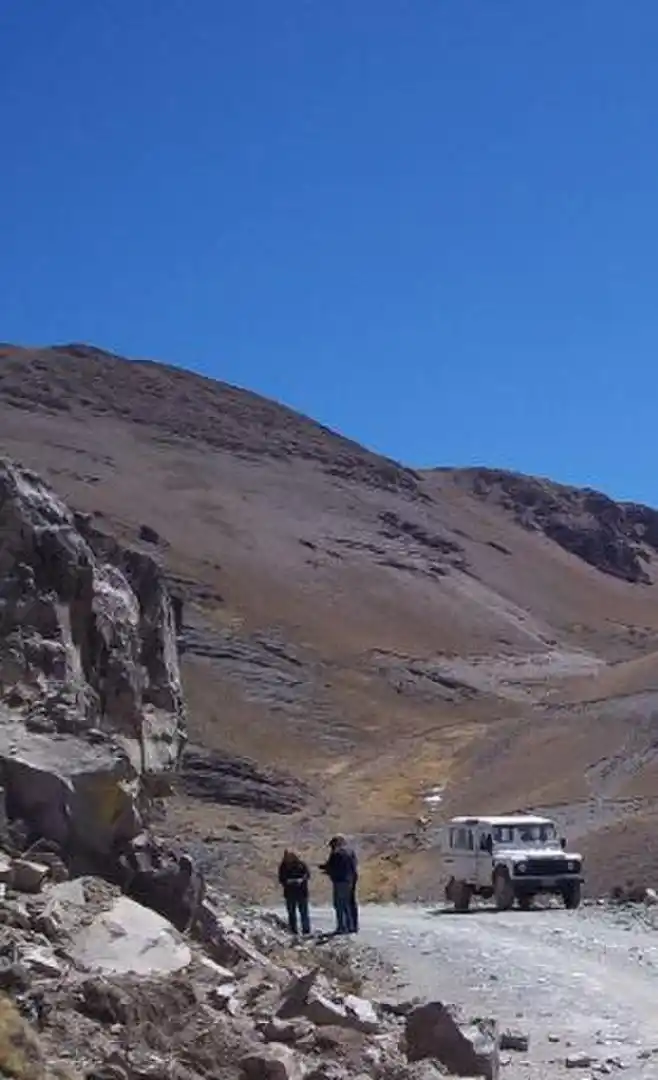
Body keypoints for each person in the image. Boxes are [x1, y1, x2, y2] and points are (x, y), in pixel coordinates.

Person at [319, 835, 357, 934]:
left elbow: (332, 867)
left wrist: (325, 869)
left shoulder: (336, 853)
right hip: (350, 880)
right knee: (348, 904)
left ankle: (342, 927)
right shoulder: (350, 852)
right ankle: (351, 926)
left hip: (340, 881)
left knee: (339, 904)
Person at [278, 849, 311, 936]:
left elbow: (307, 875)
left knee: (304, 912)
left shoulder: (301, 864)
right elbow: (281, 878)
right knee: (291, 913)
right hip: (290, 893)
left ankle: (306, 931)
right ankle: (293, 931)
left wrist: (301, 880)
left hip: (301, 892)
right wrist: (288, 881)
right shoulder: (284, 866)